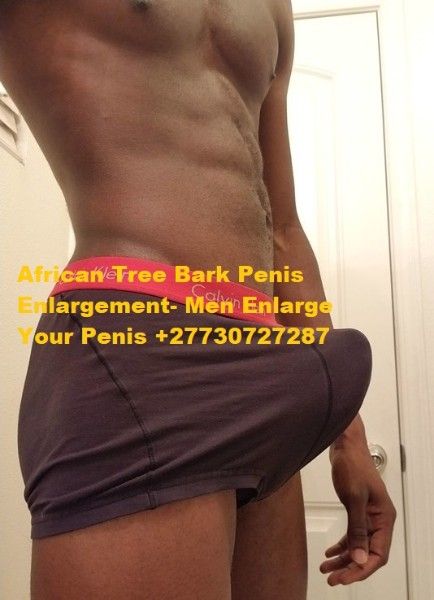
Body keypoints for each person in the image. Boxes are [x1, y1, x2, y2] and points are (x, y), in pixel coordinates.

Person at [0, 0, 396, 598]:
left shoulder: (274, 8)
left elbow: (283, 228)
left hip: (270, 359)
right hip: (137, 348)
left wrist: (347, 436)